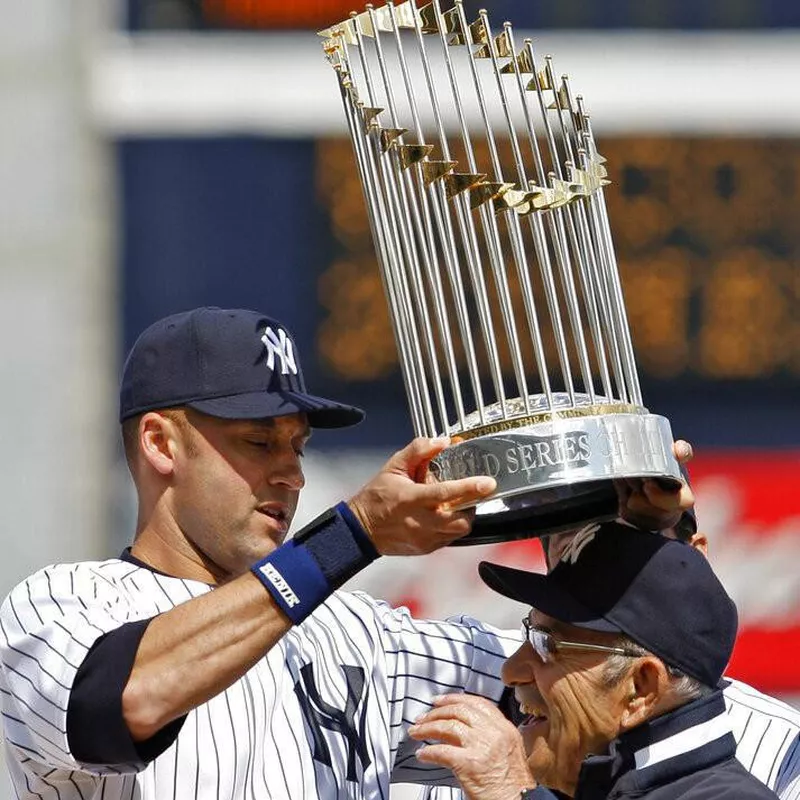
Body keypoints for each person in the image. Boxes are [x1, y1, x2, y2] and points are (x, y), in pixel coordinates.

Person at [0, 306, 690, 800]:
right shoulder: (62, 604)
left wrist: (636, 538)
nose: (290, 473)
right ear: (160, 444)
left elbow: (599, 684)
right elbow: (123, 699)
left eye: (298, 446)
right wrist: (353, 534)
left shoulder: (355, 634)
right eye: (258, 442)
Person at [416, 511, 800, 800]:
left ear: (641, 687)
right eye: (528, 633)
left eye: (548, 645)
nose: (512, 670)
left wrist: (513, 794)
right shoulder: (609, 780)